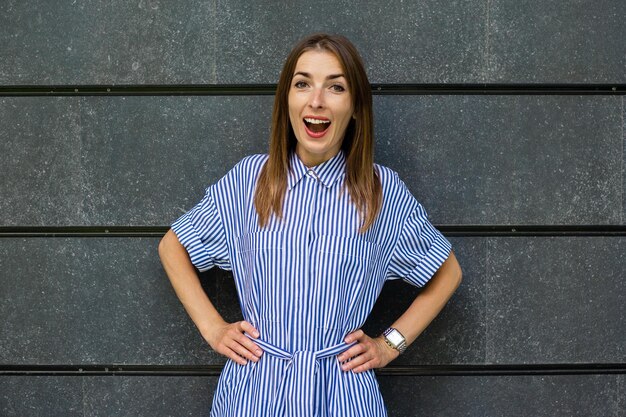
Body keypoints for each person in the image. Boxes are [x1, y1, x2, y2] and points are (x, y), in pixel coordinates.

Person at [159, 32, 462, 417]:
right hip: (256, 391)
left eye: (335, 87)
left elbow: (447, 273)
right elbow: (173, 246)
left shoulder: (381, 192)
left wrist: (389, 345)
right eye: (302, 84)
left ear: (355, 107)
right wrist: (213, 328)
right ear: (287, 98)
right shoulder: (250, 181)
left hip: (342, 393)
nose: (315, 101)